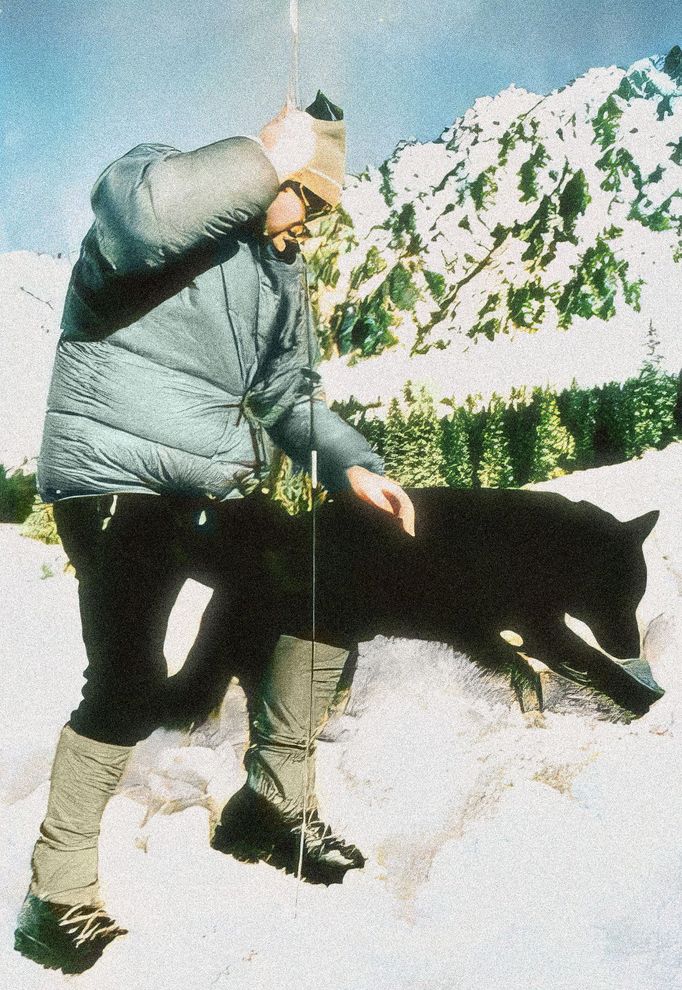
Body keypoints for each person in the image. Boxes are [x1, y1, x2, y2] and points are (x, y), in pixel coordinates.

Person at [14, 93, 415, 974]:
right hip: (113, 480)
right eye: (306, 198)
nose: (310, 223)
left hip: (206, 489)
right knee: (125, 676)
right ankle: (57, 895)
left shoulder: (281, 276)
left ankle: (270, 807)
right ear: (275, 175)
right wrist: (262, 154)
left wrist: (353, 463)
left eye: (322, 211)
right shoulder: (159, 193)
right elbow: (138, 219)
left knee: (320, 583)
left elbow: (289, 397)